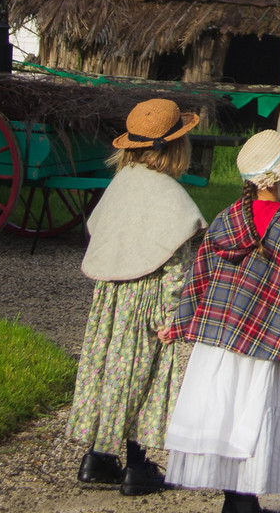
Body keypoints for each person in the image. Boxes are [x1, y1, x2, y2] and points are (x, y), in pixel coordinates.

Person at [164, 129, 280, 513]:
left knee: (225, 413)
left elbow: (199, 275)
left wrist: (182, 321)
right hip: (267, 346)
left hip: (221, 343)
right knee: (256, 413)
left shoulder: (226, 219)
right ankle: (245, 502)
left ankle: (236, 500)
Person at [66, 98, 206, 495]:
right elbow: (177, 267)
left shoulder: (118, 187)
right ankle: (137, 465)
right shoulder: (171, 198)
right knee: (145, 376)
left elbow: (101, 235)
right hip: (148, 300)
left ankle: (97, 457)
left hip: (111, 299)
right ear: (178, 147)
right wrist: (173, 315)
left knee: (111, 371)